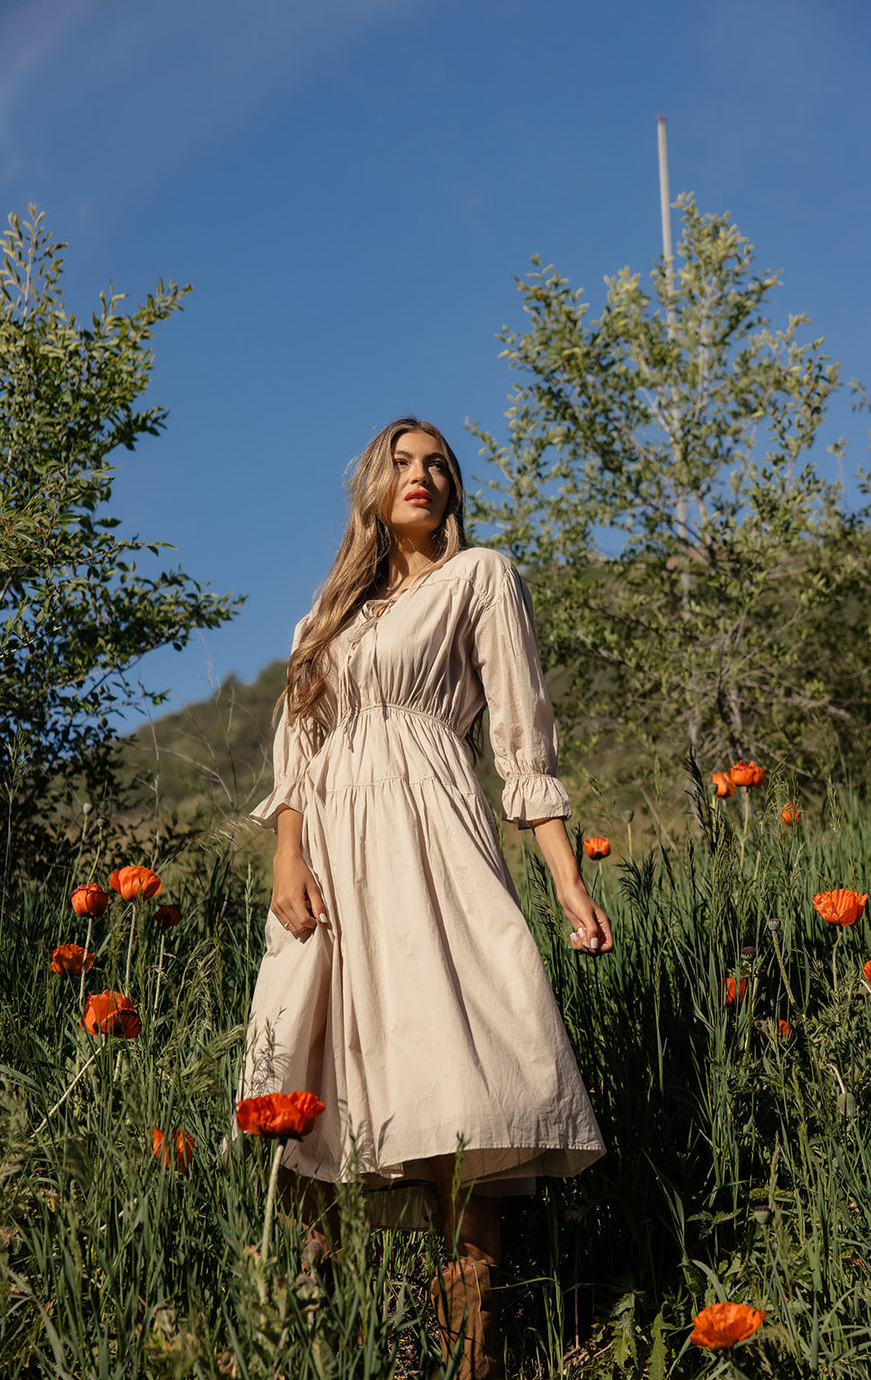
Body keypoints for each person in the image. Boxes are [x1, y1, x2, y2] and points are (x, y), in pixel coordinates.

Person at [239, 417, 613, 1378]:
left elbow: (523, 739)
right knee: (312, 1107)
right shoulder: (319, 625)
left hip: (429, 848)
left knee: (457, 1094)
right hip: (328, 867)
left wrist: (564, 876)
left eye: (438, 464)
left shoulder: (478, 578)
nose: (423, 475)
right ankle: (316, 1351)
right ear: (372, 487)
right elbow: (298, 753)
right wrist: (288, 856)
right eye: (402, 463)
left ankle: (470, 1363)